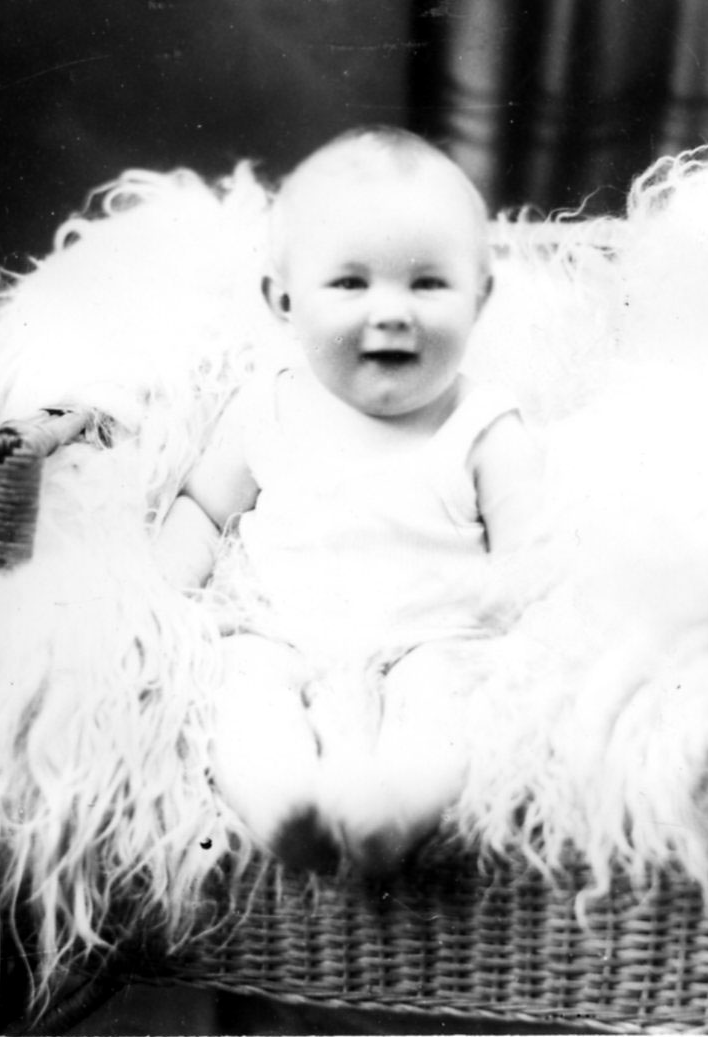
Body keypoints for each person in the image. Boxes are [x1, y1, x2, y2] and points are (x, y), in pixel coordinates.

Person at [156, 126, 543, 875]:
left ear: (481, 297)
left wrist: (522, 633)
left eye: (427, 284)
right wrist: (162, 594)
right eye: (350, 284)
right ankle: (282, 803)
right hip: (280, 631)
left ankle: (394, 814)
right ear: (283, 300)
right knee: (238, 684)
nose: (392, 312)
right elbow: (203, 507)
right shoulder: (264, 406)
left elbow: (533, 556)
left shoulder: (484, 426)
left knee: (447, 702)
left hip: (434, 637)